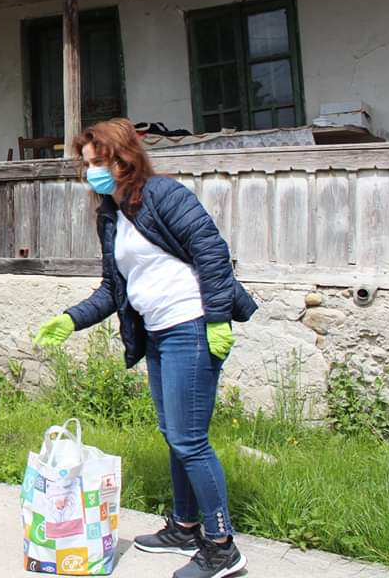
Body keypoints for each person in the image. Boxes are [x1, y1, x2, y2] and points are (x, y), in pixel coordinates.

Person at [35, 118, 257, 578]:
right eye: (87, 164)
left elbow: (212, 252)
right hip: (158, 332)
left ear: (125, 158)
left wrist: (217, 318)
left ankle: (221, 546)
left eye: (99, 162)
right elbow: (112, 289)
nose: (92, 172)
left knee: (189, 440)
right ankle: (185, 526)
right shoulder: (111, 215)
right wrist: (71, 318)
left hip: (190, 326)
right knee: (174, 433)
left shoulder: (163, 194)